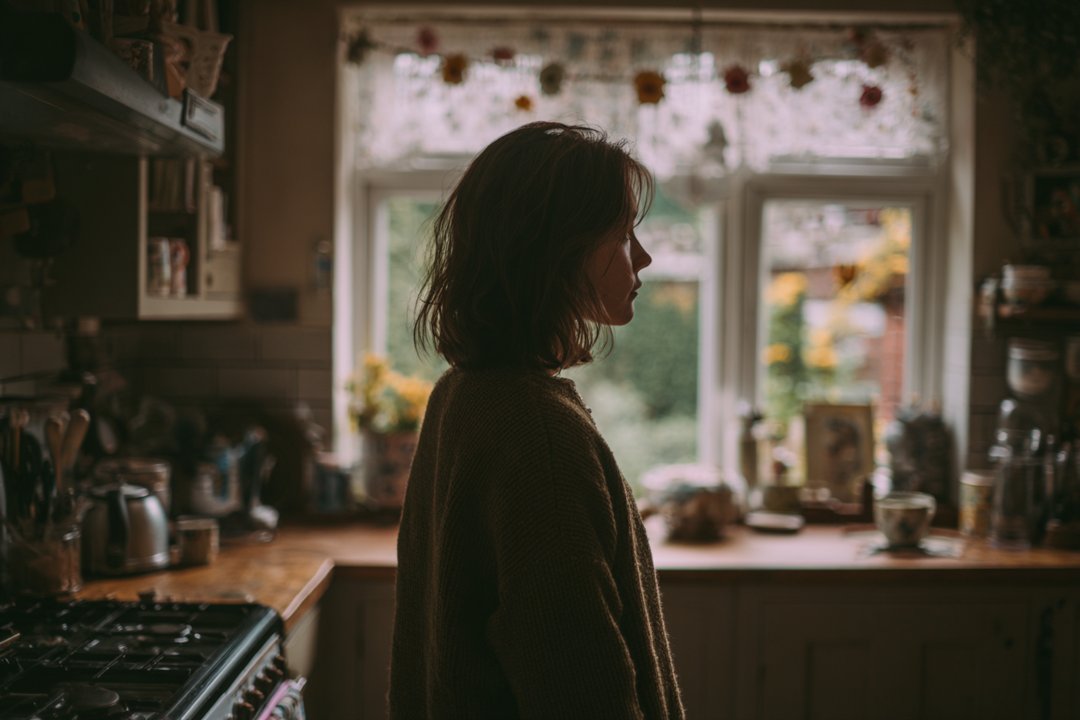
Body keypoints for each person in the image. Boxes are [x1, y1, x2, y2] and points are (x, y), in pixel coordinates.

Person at [389, 121, 685, 719]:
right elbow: (584, 695)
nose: (645, 257)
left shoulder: (460, 395)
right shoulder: (540, 437)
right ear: (561, 247)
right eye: (624, 233)